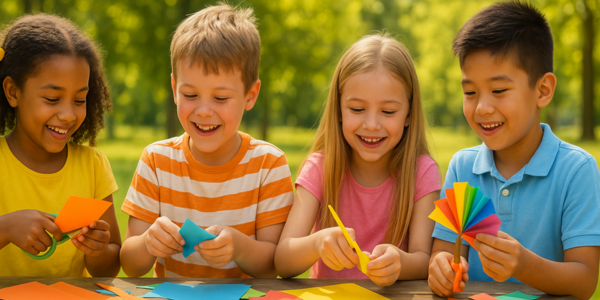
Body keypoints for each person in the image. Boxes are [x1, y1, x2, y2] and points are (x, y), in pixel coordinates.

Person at [427, 2, 600, 299]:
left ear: (542, 90)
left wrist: (523, 264)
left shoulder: (576, 170)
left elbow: (585, 280)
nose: (481, 107)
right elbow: (443, 254)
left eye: (498, 91)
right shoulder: (462, 168)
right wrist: (441, 268)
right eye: (470, 92)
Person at [120, 3, 294, 278]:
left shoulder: (268, 165)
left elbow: (275, 265)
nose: (203, 110)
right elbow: (130, 265)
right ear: (175, 88)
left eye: (221, 98)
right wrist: (147, 243)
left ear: (250, 95)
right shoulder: (156, 160)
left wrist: (240, 248)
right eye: (190, 95)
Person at [274, 33, 441, 286]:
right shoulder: (320, 168)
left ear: (408, 114)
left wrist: (400, 263)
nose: (371, 125)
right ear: (339, 110)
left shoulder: (422, 172)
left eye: (388, 112)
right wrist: (317, 244)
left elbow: (423, 259)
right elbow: (283, 261)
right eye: (357, 109)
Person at [0, 14, 121, 277]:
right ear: (13, 92)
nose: (68, 115)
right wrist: (5, 229)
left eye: (79, 100)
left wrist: (98, 249)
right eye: (53, 98)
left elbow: (109, 269)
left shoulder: (93, 165)